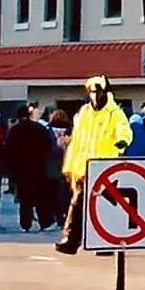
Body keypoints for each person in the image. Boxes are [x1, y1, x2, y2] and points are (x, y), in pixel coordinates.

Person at [56, 76, 132, 255]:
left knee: (105, 205)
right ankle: (71, 240)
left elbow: (124, 129)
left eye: (99, 91)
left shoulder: (114, 113)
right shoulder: (84, 113)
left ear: (106, 92)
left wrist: (122, 142)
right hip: (84, 166)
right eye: (93, 92)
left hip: (105, 166)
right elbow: (77, 141)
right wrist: (70, 166)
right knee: (79, 202)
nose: (96, 95)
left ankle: (103, 243)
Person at [7, 104, 57, 232]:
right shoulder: (39, 128)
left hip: (21, 170)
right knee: (41, 196)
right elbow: (48, 145)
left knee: (25, 199)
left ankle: (25, 224)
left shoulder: (14, 131)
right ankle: (45, 222)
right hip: (38, 167)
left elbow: (9, 151)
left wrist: (11, 170)